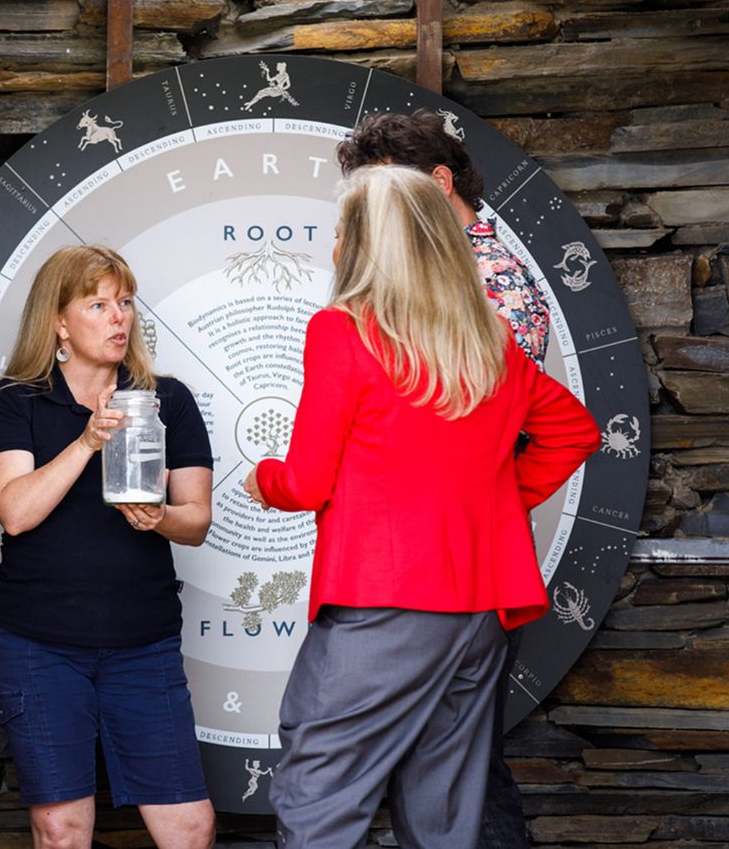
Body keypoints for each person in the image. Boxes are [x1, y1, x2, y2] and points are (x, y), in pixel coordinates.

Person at [242, 165, 600, 849]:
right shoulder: (487, 340)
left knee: (316, 791)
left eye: (342, 232)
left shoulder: (341, 332)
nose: (333, 248)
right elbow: (574, 432)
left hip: (384, 604)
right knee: (443, 815)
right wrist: (485, 505)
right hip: (479, 610)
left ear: (371, 247)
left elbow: (306, 482)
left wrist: (264, 478)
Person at [338, 110, 552, 848]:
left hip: (458, 566)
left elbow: (464, 436)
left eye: (380, 194)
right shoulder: (438, 281)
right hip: (429, 559)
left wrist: (483, 505)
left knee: (462, 773)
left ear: (435, 184)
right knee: (439, 767)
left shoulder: (486, 286)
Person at [0, 245, 216, 849]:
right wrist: (87, 440)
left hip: (144, 644)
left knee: (190, 827)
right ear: (58, 321)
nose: (119, 318)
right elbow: (16, 512)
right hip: (38, 646)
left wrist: (159, 518)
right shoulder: (14, 402)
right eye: (99, 304)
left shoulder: (167, 400)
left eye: (126, 303)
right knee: (61, 829)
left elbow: (197, 521)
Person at [338, 110, 550, 369]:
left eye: (391, 190)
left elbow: (503, 393)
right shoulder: (425, 267)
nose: (379, 210)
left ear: (440, 181)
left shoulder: (494, 277)